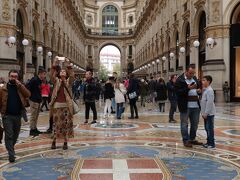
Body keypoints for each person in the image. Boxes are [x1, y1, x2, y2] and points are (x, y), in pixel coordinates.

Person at [0, 70, 31, 162]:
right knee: (9, 135)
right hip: (7, 116)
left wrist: (20, 85)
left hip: (18, 115)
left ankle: (10, 148)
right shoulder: (3, 89)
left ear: (18, 78)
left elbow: (28, 94)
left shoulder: (20, 87)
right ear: (8, 77)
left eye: (15, 76)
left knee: (15, 135)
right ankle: (11, 154)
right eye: (12, 76)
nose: (13, 78)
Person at [49, 57, 74, 150]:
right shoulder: (56, 81)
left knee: (66, 124)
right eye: (61, 71)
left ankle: (65, 142)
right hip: (57, 105)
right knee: (56, 124)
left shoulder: (68, 82)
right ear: (59, 74)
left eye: (64, 71)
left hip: (67, 106)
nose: (63, 72)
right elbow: (51, 75)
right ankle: (54, 141)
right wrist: (54, 64)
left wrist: (68, 65)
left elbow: (72, 76)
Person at [175, 65, 203, 148]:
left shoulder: (194, 79)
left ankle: (192, 139)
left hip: (196, 106)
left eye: (193, 73)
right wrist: (188, 88)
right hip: (185, 106)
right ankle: (186, 140)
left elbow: (199, 89)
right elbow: (178, 93)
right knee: (184, 124)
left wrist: (199, 91)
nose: (192, 75)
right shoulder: (180, 80)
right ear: (186, 71)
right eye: (190, 73)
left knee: (195, 124)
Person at [27, 68, 46, 136]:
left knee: (36, 116)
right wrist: (30, 97)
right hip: (34, 100)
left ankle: (35, 128)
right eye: (44, 74)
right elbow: (28, 87)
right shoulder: (34, 80)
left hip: (38, 100)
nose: (44, 76)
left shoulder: (39, 80)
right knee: (33, 116)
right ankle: (32, 130)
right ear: (40, 74)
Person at [201, 75, 216, 148]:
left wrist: (206, 113)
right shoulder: (206, 89)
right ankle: (208, 142)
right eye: (202, 80)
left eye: (204, 80)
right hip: (205, 113)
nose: (202, 82)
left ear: (208, 81)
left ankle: (211, 144)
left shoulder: (210, 90)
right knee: (207, 128)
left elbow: (209, 102)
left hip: (209, 114)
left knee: (210, 129)